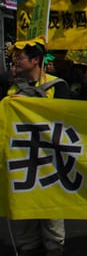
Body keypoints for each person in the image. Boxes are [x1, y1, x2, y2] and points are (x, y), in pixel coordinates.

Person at [6, 36, 70, 256]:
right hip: (19, 162)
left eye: (20, 57)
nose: (15, 62)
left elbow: (69, 122)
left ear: (36, 60)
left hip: (49, 164)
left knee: (51, 219)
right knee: (24, 220)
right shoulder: (10, 89)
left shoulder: (58, 87)